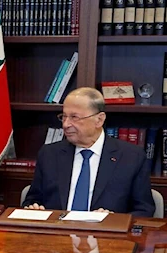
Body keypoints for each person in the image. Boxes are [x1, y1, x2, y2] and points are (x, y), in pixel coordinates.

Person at [22, 87, 155, 217]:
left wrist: (114, 220)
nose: (66, 124)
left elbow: (144, 210)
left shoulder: (131, 157)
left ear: (99, 120)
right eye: (64, 117)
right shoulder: (49, 154)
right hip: (57, 234)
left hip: (106, 237)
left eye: (74, 117)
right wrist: (34, 208)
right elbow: (32, 201)